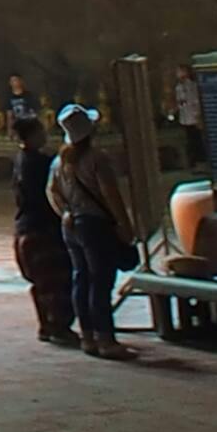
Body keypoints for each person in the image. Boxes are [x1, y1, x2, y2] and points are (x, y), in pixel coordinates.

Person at [48, 103, 139, 357]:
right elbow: (111, 195)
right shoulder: (97, 159)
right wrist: (124, 224)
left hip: (72, 226)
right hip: (96, 226)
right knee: (101, 281)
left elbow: (52, 192)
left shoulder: (59, 162)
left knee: (81, 278)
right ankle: (106, 339)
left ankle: (87, 337)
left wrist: (65, 212)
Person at [6, 86, 76, 347]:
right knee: (55, 279)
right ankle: (58, 325)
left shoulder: (21, 160)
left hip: (25, 226)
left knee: (40, 282)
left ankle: (46, 325)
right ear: (33, 135)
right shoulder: (40, 162)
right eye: (41, 132)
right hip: (43, 227)